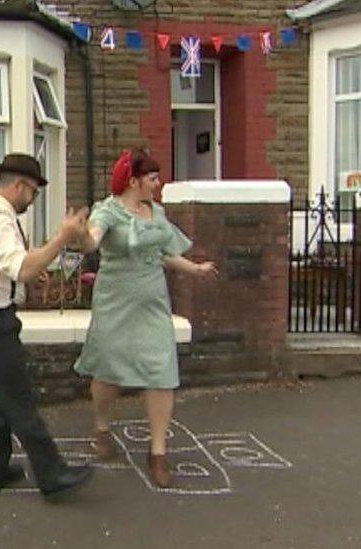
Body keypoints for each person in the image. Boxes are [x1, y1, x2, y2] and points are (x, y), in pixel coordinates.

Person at [73, 149, 218, 488]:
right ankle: (102, 429)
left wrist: (195, 269)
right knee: (108, 370)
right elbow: (91, 241)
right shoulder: (107, 211)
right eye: (153, 178)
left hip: (152, 301)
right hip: (115, 301)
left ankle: (158, 452)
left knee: (161, 370)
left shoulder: (157, 213)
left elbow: (164, 253)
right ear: (133, 180)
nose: (158, 184)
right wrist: (78, 235)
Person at [0, 152, 94, 501]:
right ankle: (52, 474)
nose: (32, 199)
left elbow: (11, 265)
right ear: (19, 185)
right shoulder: (0, 221)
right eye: (33, 192)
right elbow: (21, 269)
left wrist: (38, 260)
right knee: (19, 400)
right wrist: (62, 237)